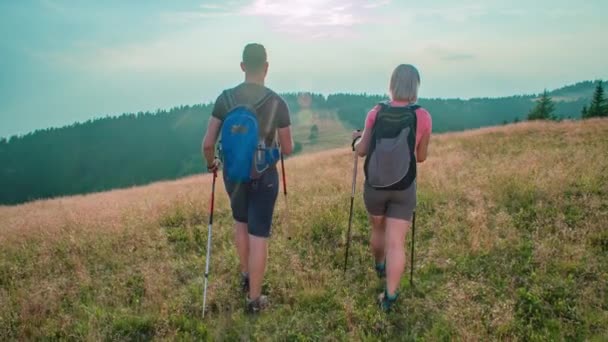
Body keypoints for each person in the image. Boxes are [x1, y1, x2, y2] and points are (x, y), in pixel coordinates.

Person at [202, 43, 293, 313]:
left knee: (240, 223)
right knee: (259, 234)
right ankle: (254, 300)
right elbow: (287, 148)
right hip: (263, 176)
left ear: (242, 66)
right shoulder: (277, 101)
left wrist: (212, 164)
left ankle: (245, 274)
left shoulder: (225, 99)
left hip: (233, 174)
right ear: (266, 67)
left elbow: (208, 144)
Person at [352, 64, 432, 310]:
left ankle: (379, 265)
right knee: (396, 241)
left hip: (375, 185)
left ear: (392, 83)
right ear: (415, 86)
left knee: (378, 228)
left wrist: (356, 139)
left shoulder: (376, 112)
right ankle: (390, 297)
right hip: (404, 186)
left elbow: (362, 150)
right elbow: (420, 157)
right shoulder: (423, 116)